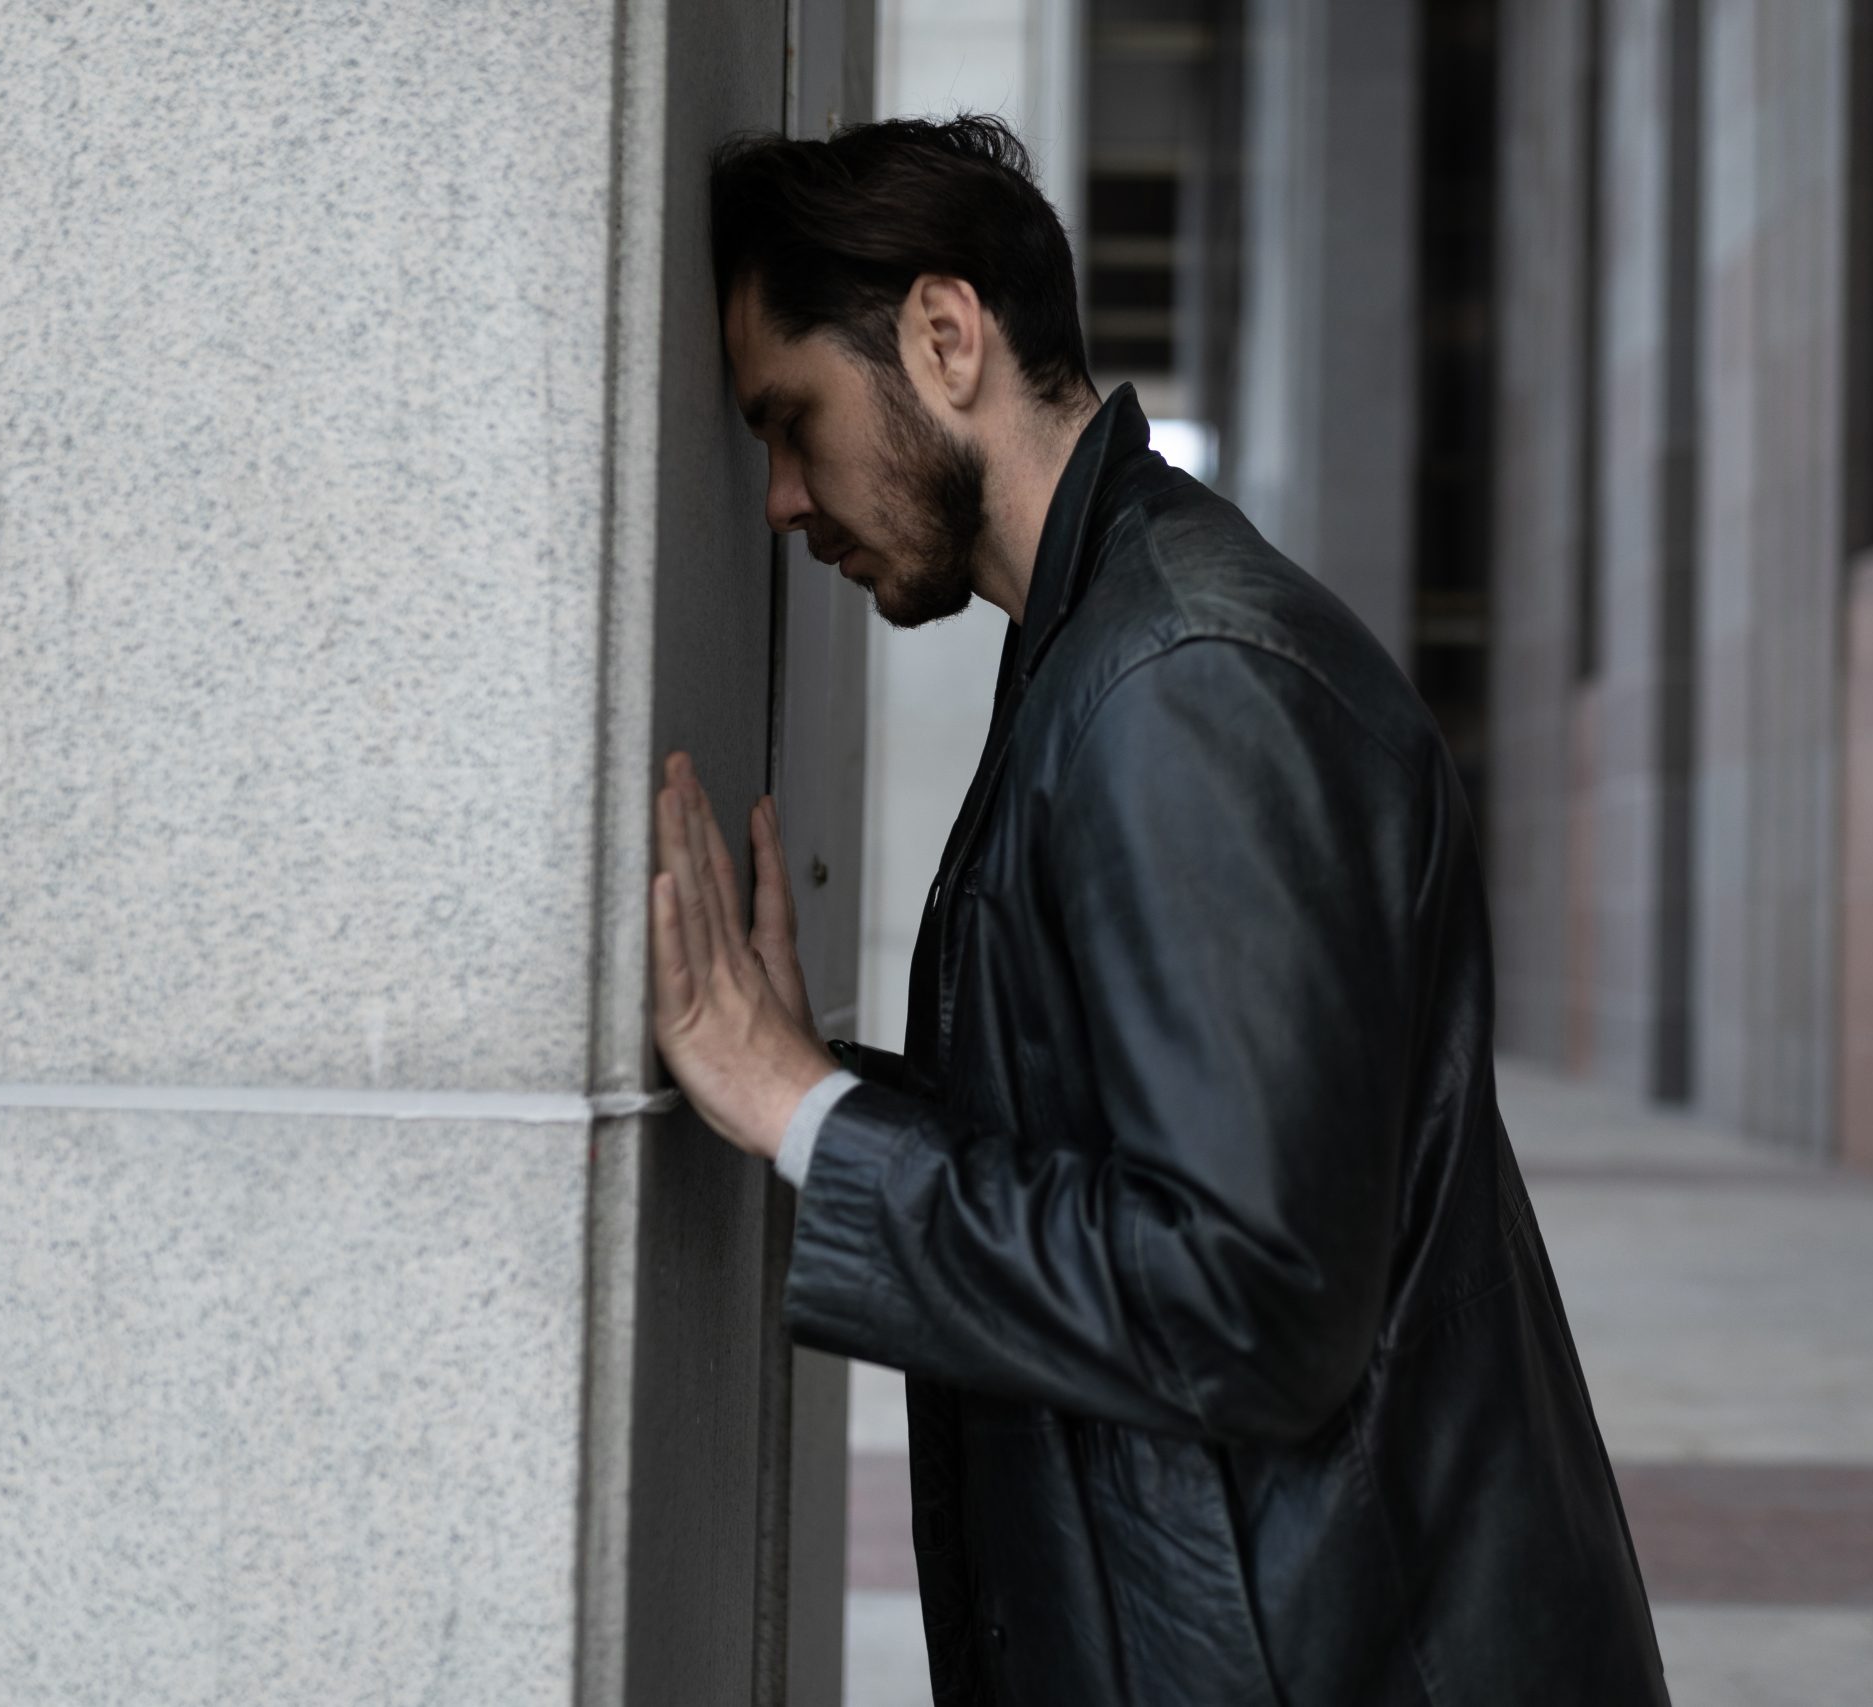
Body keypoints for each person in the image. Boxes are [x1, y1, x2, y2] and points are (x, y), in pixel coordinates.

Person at [649, 114, 1670, 1707]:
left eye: (793, 419)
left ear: (943, 332)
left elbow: (1245, 1296)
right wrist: (822, 1090)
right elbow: (1130, 1160)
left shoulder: (1184, 679)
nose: (781, 499)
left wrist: (811, 1121)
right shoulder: (1103, 648)